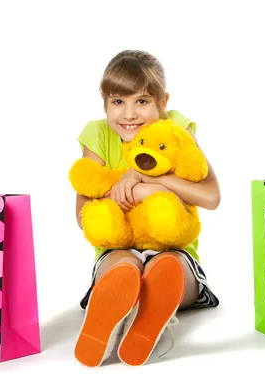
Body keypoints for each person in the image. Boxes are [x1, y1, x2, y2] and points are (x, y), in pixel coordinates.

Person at [73, 50, 221, 367]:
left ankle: (148, 317)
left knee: (166, 269)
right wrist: (144, 191)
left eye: (141, 102)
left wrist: (145, 177)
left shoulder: (175, 129)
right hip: (118, 247)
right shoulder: (98, 134)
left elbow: (211, 197)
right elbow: (83, 216)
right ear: (104, 103)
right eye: (117, 102)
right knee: (124, 269)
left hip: (173, 249)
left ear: (162, 102)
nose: (129, 114)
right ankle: (123, 313)